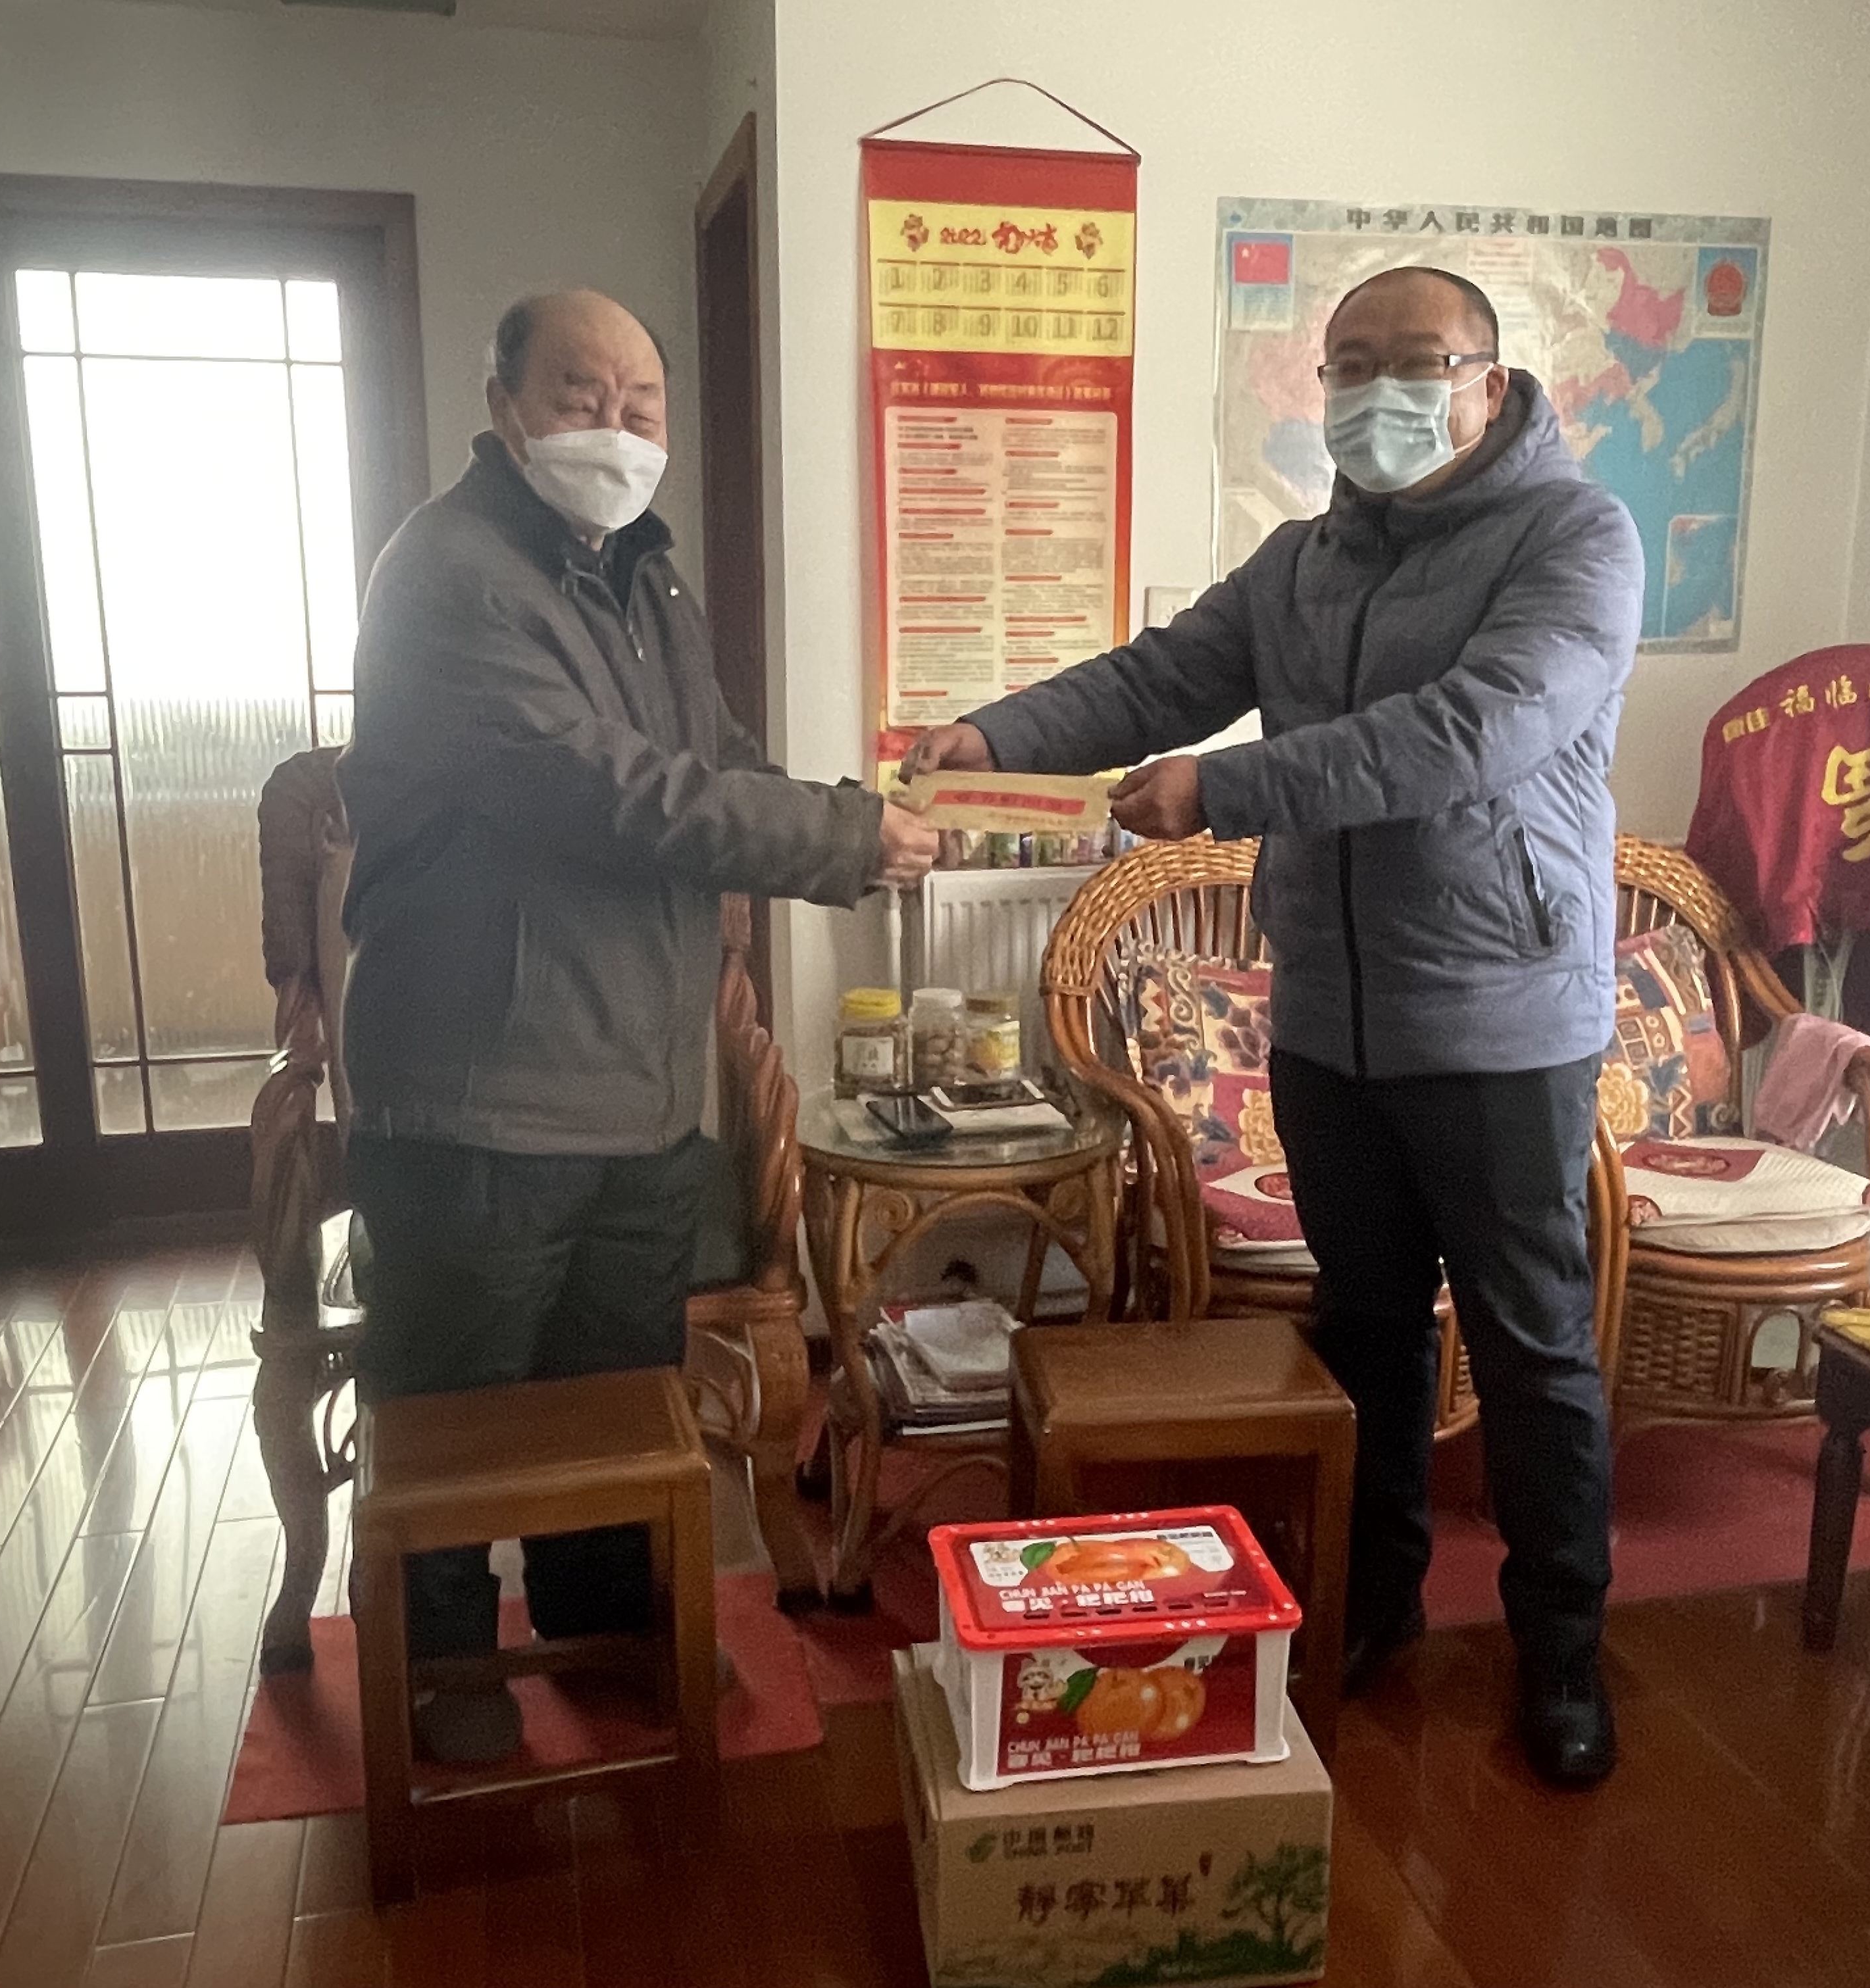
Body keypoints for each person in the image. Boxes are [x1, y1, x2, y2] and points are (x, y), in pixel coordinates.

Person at [905, 266, 1642, 1788]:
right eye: (1347, 365)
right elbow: (1161, 675)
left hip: (1501, 1022)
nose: (1376, 392)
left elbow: (1473, 731)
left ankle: (1562, 1642)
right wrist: (995, 733)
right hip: (1327, 1023)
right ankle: (1374, 1601)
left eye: (1412, 361)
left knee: (1529, 1343)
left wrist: (1224, 789)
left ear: (1488, 381)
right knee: (1363, 1327)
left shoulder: (1576, 537)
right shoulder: (1300, 563)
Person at [338, 289, 939, 1764]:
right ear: (503, 404)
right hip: (483, 1096)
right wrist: (843, 839)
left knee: (618, 1404)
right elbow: (608, 792)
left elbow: (713, 759)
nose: (613, 427)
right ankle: (443, 1669)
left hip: (648, 1093)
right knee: (456, 1411)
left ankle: (607, 1626)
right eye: (578, 394)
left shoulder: (646, 578)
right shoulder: (452, 575)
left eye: (640, 404)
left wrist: (843, 812)